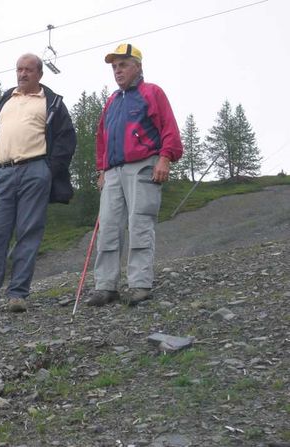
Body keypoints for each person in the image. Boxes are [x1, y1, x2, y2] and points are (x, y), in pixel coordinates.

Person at [0, 53, 76, 319]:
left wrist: (49, 171)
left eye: (28, 69)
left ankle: (17, 294)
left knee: (28, 233)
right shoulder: (3, 102)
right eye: (19, 69)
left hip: (36, 171)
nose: (22, 74)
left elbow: (66, 138)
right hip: (2, 174)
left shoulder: (52, 103)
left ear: (39, 73)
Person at [86, 44, 182, 307]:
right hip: (113, 172)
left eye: (123, 65)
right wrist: (102, 170)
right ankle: (105, 286)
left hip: (143, 166)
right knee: (108, 227)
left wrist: (165, 158)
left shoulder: (152, 92)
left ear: (137, 66)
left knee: (140, 223)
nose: (118, 71)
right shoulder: (112, 101)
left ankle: (140, 284)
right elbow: (101, 138)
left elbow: (169, 128)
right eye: (114, 67)